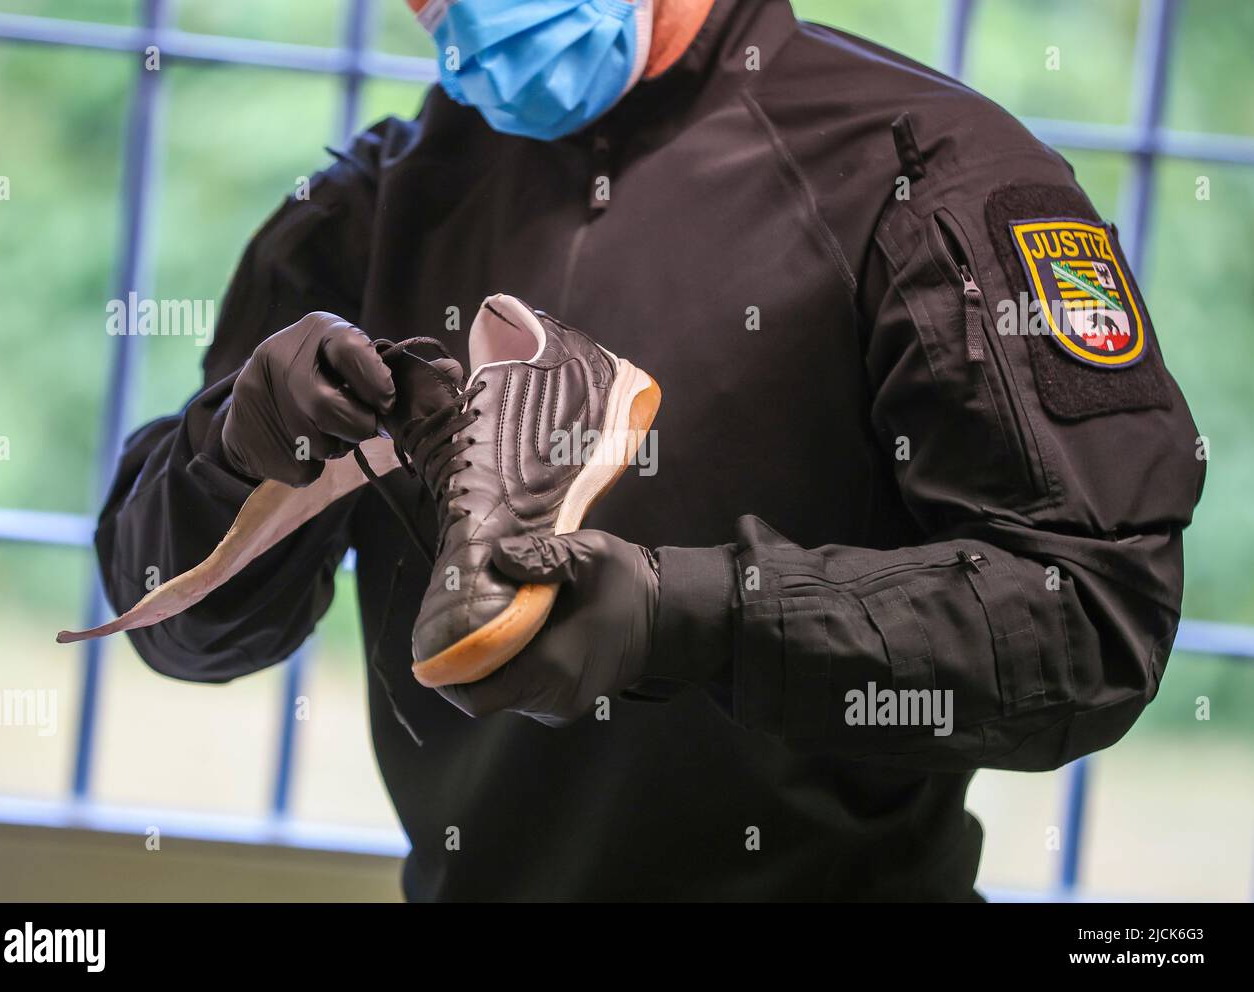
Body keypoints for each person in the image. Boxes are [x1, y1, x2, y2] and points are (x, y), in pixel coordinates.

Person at [95, 0, 1204, 900]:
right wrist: (229, 454)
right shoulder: (374, 209)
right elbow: (185, 631)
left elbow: (1091, 618)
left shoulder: (926, 176)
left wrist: (693, 617)